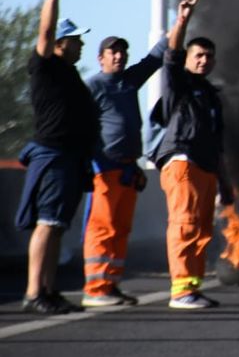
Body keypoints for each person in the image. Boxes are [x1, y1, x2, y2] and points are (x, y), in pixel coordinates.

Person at [16, 0, 100, 314]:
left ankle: (49, 291)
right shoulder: (46, 66)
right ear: (60, 44)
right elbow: (46, 29)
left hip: (70, 157)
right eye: (76, 40)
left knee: (58, 226)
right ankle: (34, 292)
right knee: (47, 223)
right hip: (51, 154)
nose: (81, 44)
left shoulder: (69, 74)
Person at [148, 0, 232, 310]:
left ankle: (191, 288)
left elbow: (219, 143)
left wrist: (225, 183)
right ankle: (180, 290)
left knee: (201, 228)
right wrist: (182, 19)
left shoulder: (211, 95)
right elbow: (171, 54)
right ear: (188, 58)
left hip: (207, 166)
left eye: (209, 56)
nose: (204, 60)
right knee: (184, 223)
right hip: (182, 161)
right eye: (198, 55)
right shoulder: (178, 82)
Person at [81, 32, 168, 307]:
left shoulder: (129, 82)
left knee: (120, 228)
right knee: (102, 228)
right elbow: (80, 126)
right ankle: (95, 288)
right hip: (103, 167)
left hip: (128, 169)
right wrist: (89, 162)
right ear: (100, 58)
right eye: (112, 52)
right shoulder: (93, 86)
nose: (119, 56)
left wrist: (180, 24)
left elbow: (153, 60)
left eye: (122, 52)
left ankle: (112, 284)